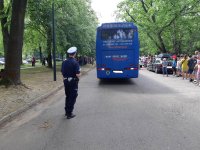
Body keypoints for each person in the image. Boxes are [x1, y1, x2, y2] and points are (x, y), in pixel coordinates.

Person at [61, 47, 81, 119]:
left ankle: (66, 111)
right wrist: (79, 76)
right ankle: (69, 113)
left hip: (66, 81)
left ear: (69, 54)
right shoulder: (75, 62)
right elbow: (77, 74)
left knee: (68, 96)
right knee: (73, 96)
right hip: (73, 82)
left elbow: (62, 72)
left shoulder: (64, 62)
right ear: (74, 54)